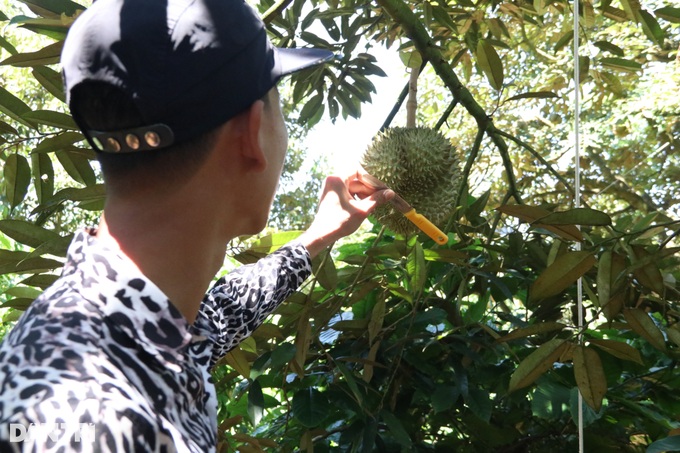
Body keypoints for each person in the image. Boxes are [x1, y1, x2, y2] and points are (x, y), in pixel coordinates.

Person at [0, 0, 393, 451]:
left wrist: (316, 237)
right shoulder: (91, 418)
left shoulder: (127, 320)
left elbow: (218, 316)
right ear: (252, 133)